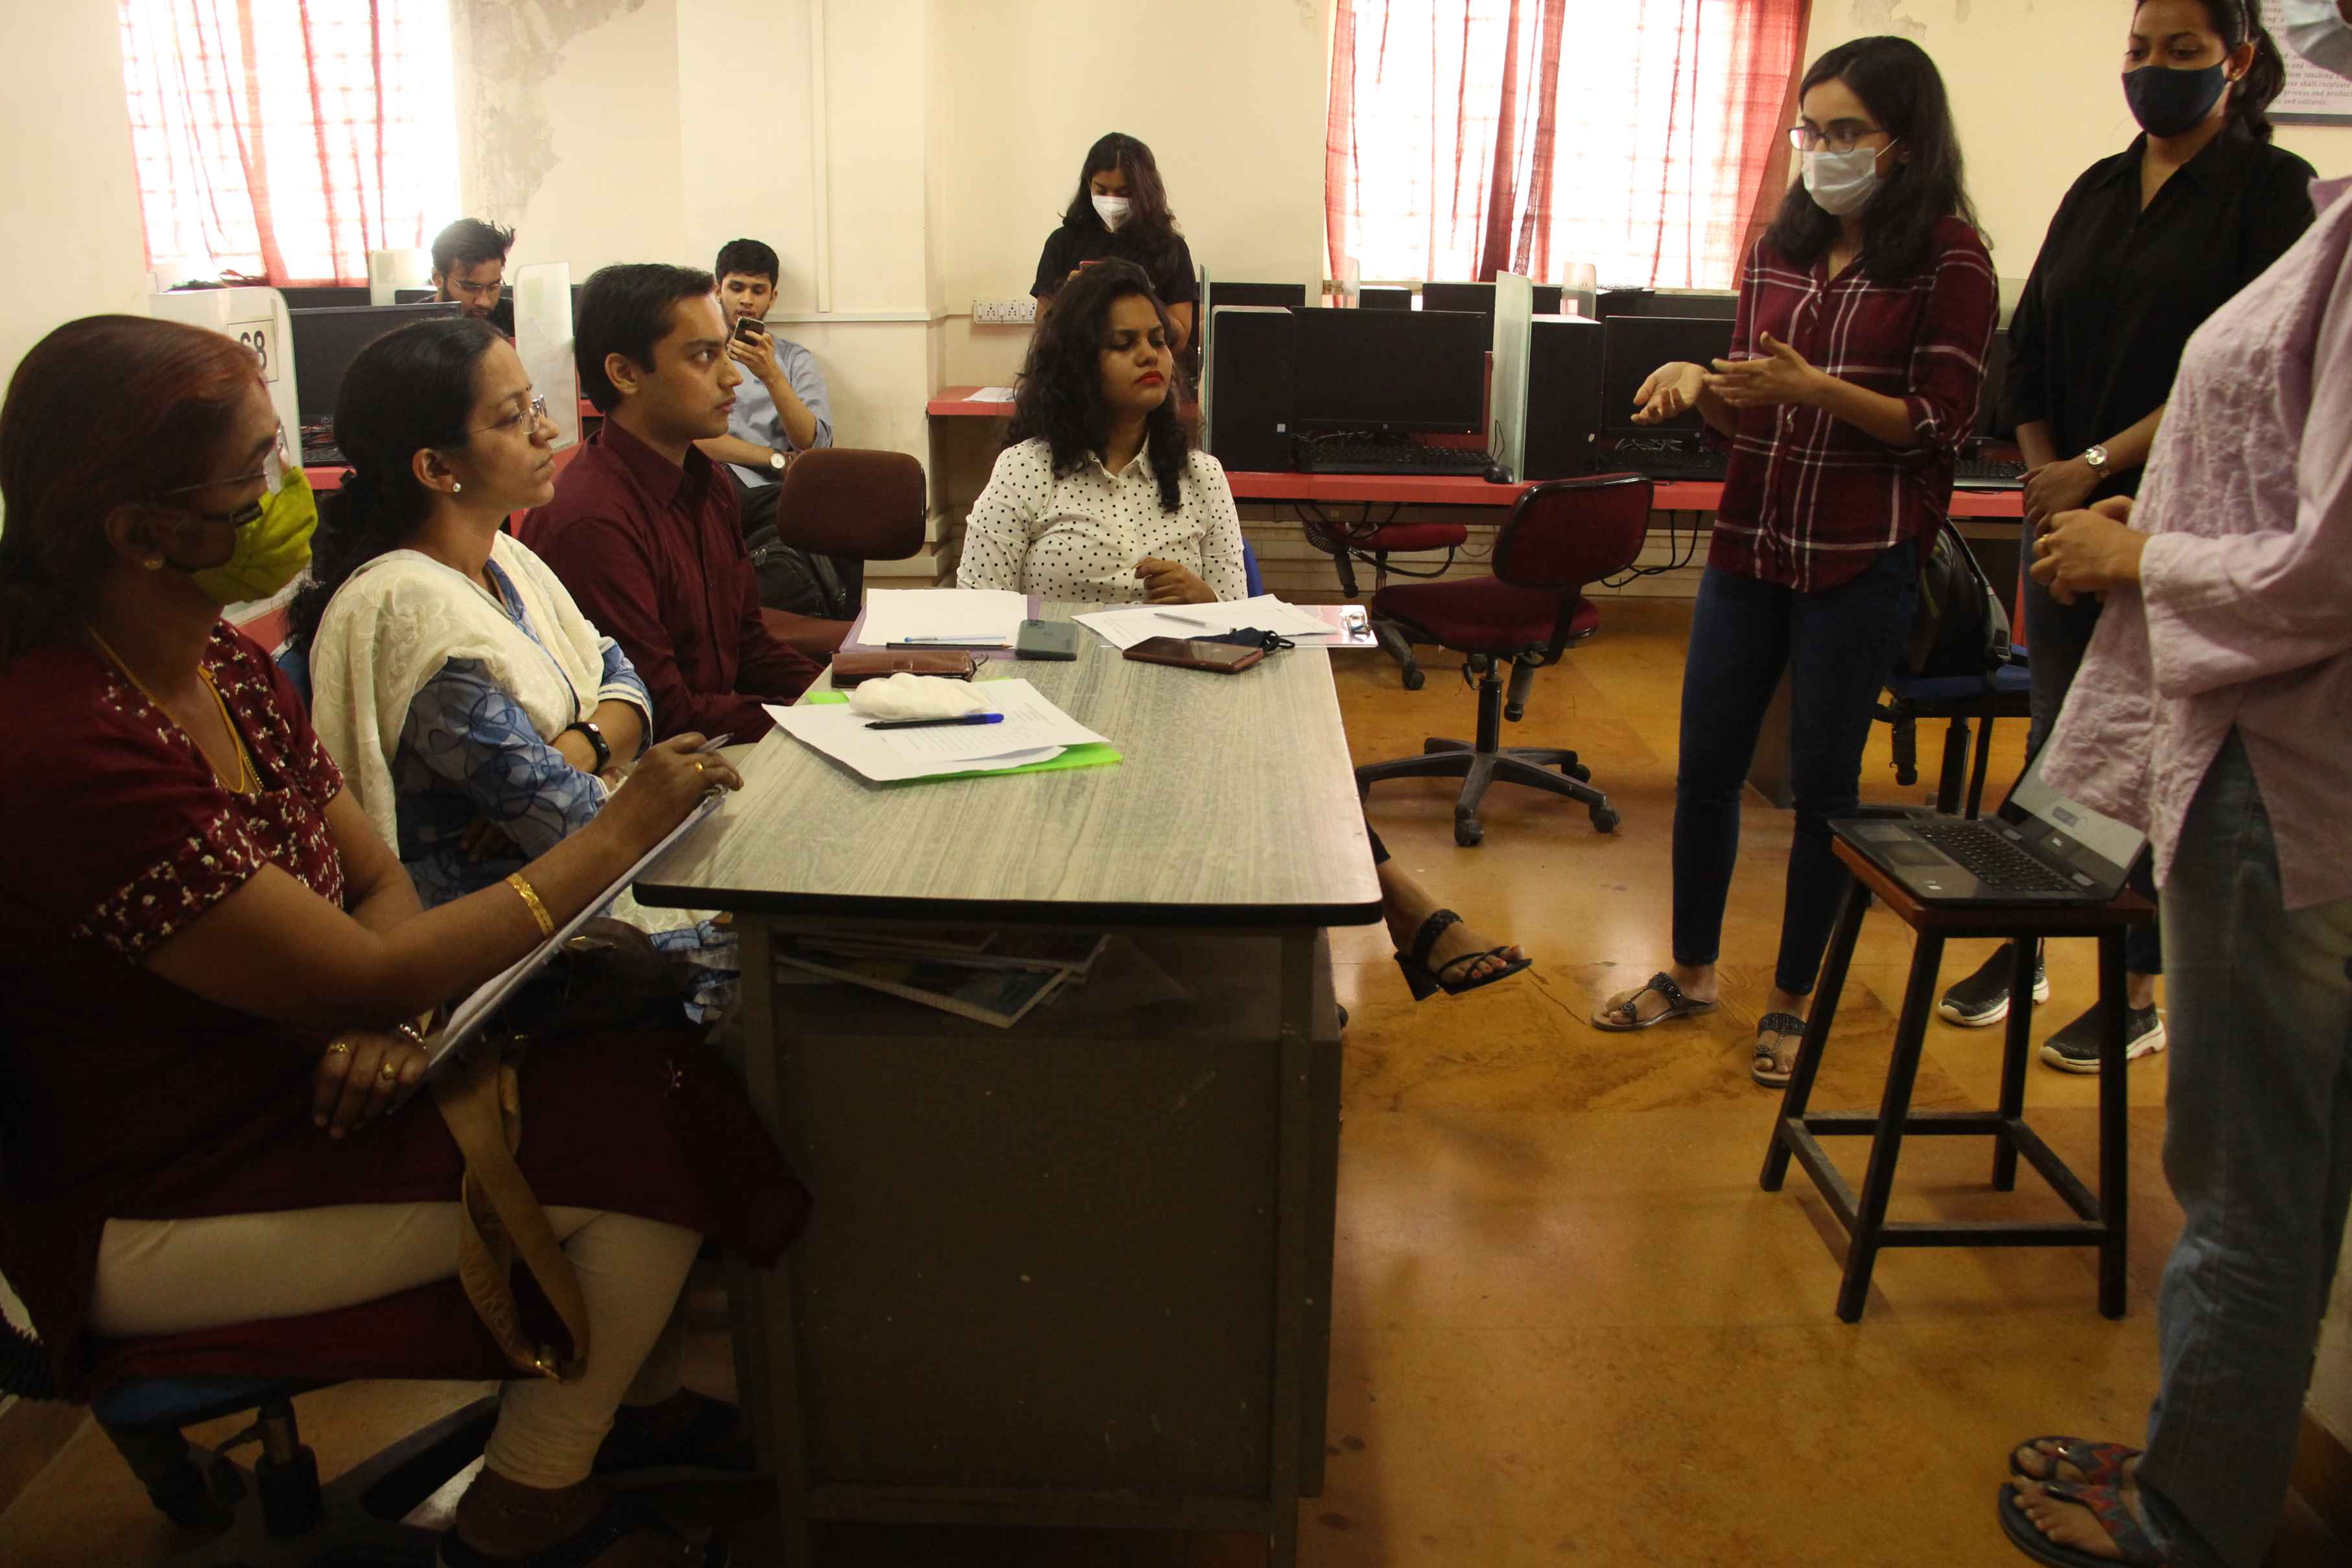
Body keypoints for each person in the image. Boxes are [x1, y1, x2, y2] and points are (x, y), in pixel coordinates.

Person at [0, 313, 794, 1568]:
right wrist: (613, 832)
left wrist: (380, 1008)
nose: (293, 491)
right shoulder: (70, 744)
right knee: (653, 1141)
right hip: (155, 1195)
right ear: (138, 530)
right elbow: (362, 957)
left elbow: (369, 880)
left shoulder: (217, 667)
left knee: (649, 1080)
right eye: (255, 469)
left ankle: (613, 1423)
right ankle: (527, 1503)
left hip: (303, 1083)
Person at [1999, 14, 2352, 1562]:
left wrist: (2135, 548)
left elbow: (2324, 567)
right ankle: (2197, 1461)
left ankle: (2184, 1516)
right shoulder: (2315, 223)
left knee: (2244, 1174)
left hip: (2285, 774)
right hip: (2269, 755)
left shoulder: (2286, 211)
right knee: (2274, 1165)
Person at [1589, 35, 1997, 1089]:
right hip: (1751, 543)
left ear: (1904, 140)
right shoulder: (1778, 246)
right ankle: (1690, 970)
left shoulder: (1949, 257)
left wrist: (1819, 390)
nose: (1822, 150)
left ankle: (1792, 997)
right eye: (1810, 130)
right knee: (1704, 771)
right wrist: (1700, 380)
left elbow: (1940, 425)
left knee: (1823, 789)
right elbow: (1751, 408)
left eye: (1847, 131)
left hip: (1858, 559)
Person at [962, 260, 1527, 998]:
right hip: (1062, 701)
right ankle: (1406, 919)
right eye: (1123, 343)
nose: (1150, 355)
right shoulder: (1026, 472)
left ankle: (1358, 939)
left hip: (1180, 701)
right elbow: (973, 615)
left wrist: (1205, 599)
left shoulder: (1201, 476)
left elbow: (1244, 621)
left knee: (1296, 757)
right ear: (1076, 362)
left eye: (1157, 340)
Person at [1938, 0, 2314, 1073]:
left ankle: (2138, 988)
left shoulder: (2272, 194)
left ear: (2237, 61)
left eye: (2181, 52)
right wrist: (2048, 475)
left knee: (2158, 755)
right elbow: (2027, 350)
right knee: (2059, 743)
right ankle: (2026, 940)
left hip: (2184, 524)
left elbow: (2240, 369)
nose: (2152, 69)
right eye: (2138, 50)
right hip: (2064, 512)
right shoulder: (2098, 188)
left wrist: (2097, 466)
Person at [291, 315, 733, 1020]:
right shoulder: (410, 609)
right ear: (437, 468)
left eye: (535, 404)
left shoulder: (503, 556)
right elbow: (570, 821)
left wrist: (576, 748)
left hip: (581, 879)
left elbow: (627, 684)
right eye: (512, 418)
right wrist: (617, 768)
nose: (546, 431)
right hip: (513, 945)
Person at [521, 263, 821, 742]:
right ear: (625, 374)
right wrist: (815, 720)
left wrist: (839, 699)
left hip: (714, 739)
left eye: (724, 350)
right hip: (653, 765)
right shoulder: (592, 521)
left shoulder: (708, 481)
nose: (733, 377)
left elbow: (749, 646)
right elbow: (664, 712)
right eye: (703, 356)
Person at [694, 237, 834, 537]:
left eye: (758, 291)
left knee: (832, 516)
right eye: (736, 288)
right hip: (711, 484)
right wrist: (773, 458)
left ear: (772, 297)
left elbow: (815, 446)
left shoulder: (794, 360)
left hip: (774, 492)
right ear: (718, 291)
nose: (747, 300)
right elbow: (690, 437)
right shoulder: (696, 355)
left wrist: (771, 375)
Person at [1030, 133, 1199, 355]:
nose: (1111, 200)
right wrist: (1069, 296)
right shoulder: (1062, 242)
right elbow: (1042, 329)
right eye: (1101, 191)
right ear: (1088, 185)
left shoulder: (1170, 248)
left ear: (1144, 191)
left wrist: (1140, 297)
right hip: (1078, 369)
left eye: (1123, 193)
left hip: (1144, 367)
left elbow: (1181, 337)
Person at [430, 218, 516, 323]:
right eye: (470, 288)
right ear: (438, 278)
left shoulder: (516, 318)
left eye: (493, 287)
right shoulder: (413, 326)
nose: (485, 302)